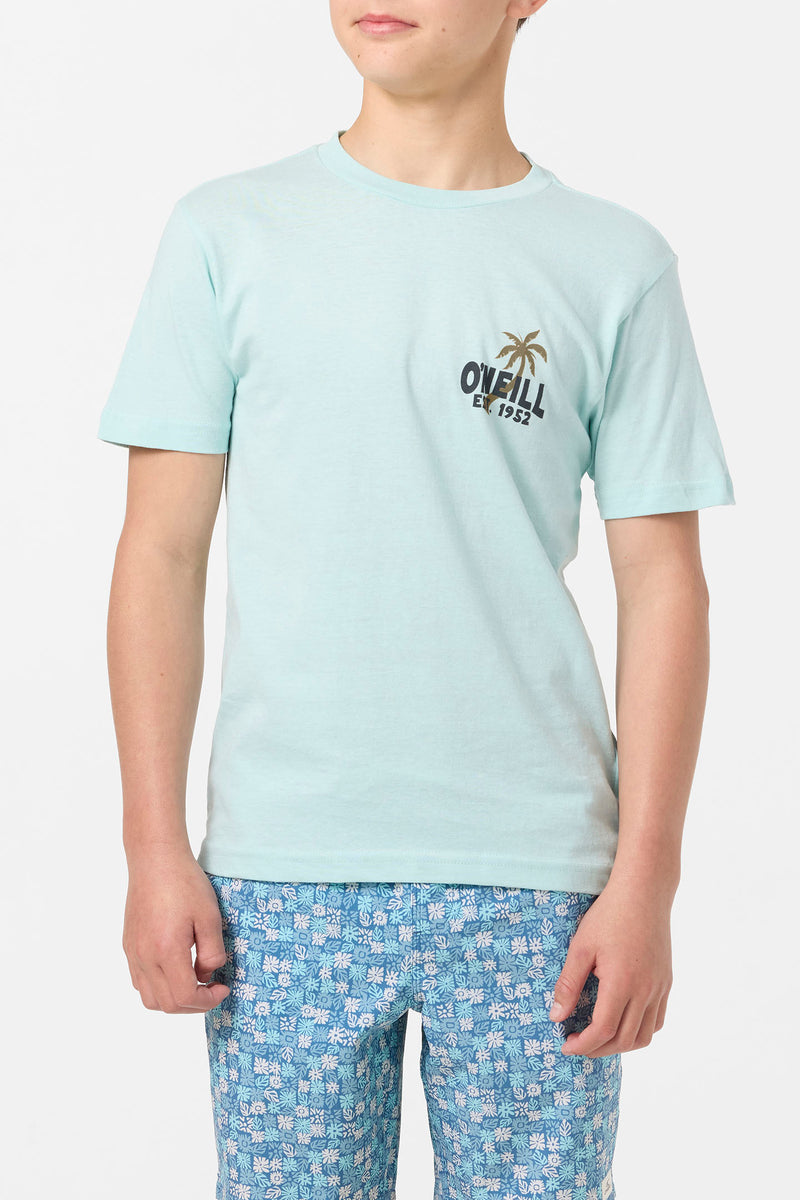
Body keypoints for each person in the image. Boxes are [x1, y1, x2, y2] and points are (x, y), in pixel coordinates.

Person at [97, 4, 735, 1198]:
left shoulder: (613, 264)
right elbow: (159, 557)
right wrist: (152, 849)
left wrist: (646, 878)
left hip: (539, 884)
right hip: (282, 876)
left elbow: (663, 586)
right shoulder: (226, 234)